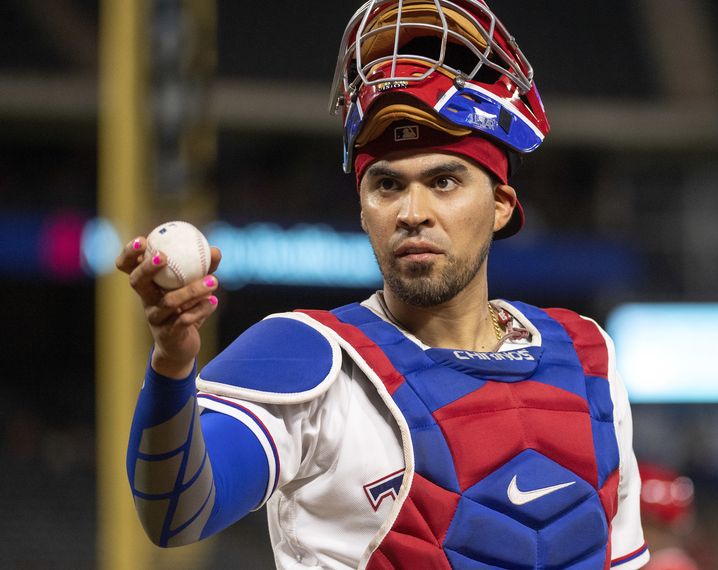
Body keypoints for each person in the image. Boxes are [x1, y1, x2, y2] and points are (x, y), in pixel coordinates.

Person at [116, 1, 649, 568]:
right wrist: (173, 365)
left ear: (500, 205)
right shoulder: (309, 357)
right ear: (364, 209)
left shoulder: (587, 354)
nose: (412, 212)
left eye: (444, 181)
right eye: (388, 185)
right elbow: (177, 513)